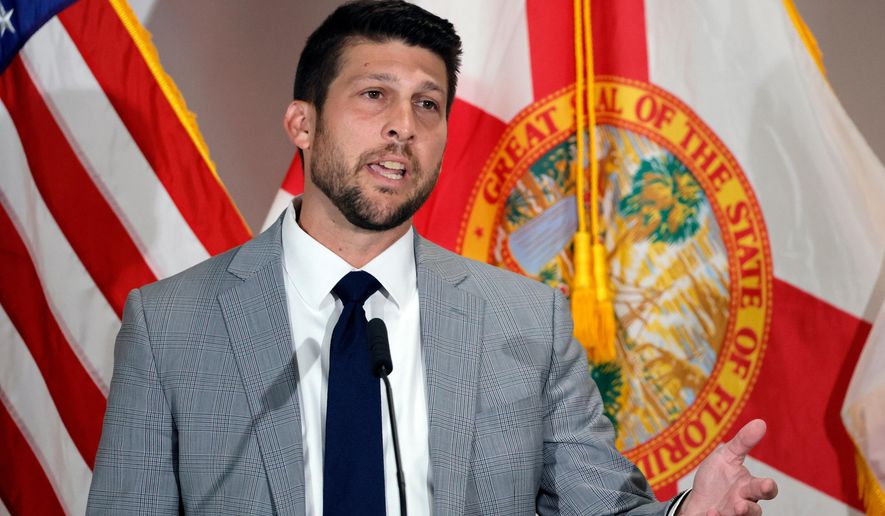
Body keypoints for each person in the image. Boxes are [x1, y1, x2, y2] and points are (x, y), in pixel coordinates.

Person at [87, 1, 778, 514]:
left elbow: (599, 508)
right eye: (373, 95)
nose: (403, 127)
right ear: (302, 122)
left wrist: (689, 511)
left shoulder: (526, 322)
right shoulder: (171, 325)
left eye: (428, 104)